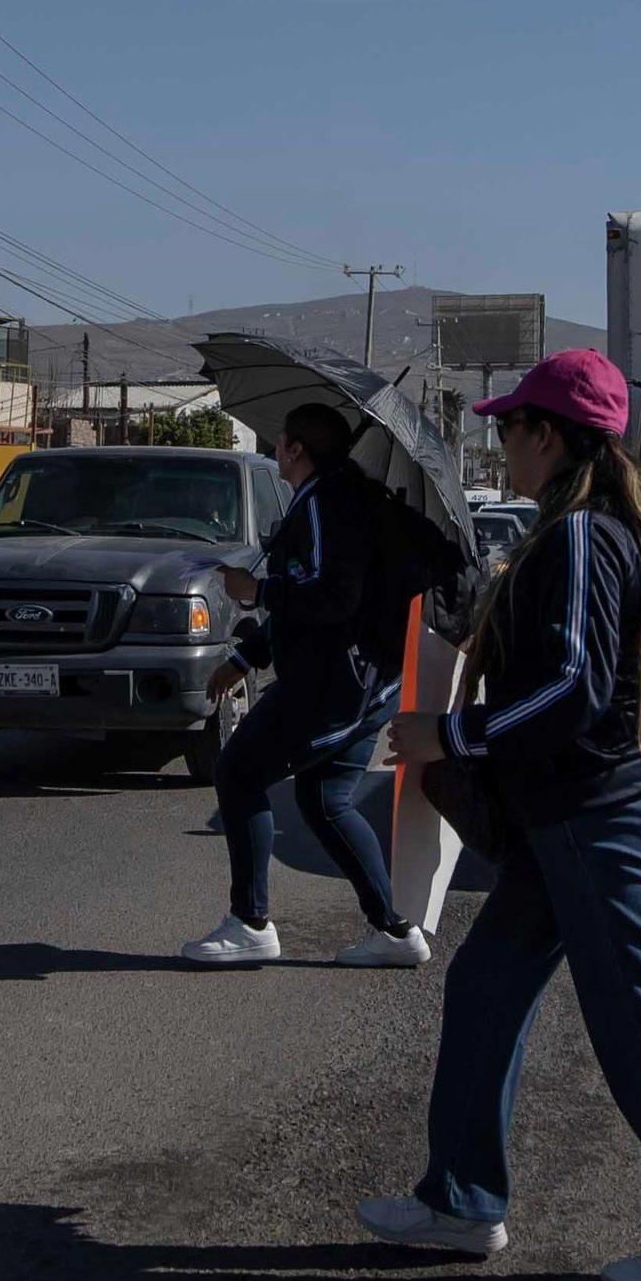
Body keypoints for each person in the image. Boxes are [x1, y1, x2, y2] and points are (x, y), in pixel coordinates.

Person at [362, 349, 641, 1281]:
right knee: (484, 987)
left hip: (594, 815)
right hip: (569, 819)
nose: (500, 443)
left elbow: (573, 691)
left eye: (510, 427)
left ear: (550, 436)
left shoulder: (583, 535)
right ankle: (461, 1199)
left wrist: (449, 735)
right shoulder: (574, 531)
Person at [184, 401, 426, 968]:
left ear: (296, 450)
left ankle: (250, 923)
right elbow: (313, 597)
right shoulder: (332, 496)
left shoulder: (327, 504)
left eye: (280, 440)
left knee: (239, 772)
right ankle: (396, 932)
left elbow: (331, 598)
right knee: (324, 799)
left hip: (333, 688)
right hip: (364, 685)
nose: (273, 448)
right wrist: (247, 657)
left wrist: (256, 591)